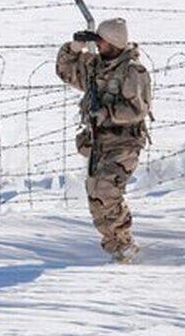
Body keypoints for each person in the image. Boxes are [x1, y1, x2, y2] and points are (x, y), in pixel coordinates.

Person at [55, 17, 152, 263]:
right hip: (99, 142)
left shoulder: (133, 71)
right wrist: (75, 48)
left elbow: (138, 109)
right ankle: (117, 248)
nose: (98, 46)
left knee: (106, 191)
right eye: (97, 41)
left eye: (103, 41)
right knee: (96, 195)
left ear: (116, 42)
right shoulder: (96, 66)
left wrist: (108, 113)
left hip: (124, 143)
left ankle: (124, 245)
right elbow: (66, 71)